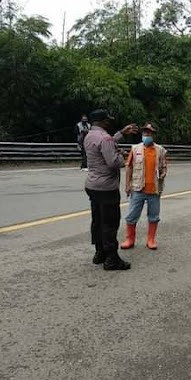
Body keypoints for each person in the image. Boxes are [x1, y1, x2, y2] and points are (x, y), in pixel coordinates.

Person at [84, 109, 139, 270]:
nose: (109, 122)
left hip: (92, 185)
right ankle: (111, 259)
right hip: (106, 187)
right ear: (101, 121)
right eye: (107, 120)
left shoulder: (89, 136)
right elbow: (113, 162)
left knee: (98, 220)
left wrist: (121, 133)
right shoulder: (105, 138)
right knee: (110, 223)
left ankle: (99, 253)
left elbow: (106, 144)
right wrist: (123, 155)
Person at [121, 122, 168, 251]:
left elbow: (164, 166)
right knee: (131, 216)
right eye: (144, 133)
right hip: (137, 188)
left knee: (154, 216)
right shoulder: (135, 149)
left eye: (149, 133)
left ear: (153, 135)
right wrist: (127, 185)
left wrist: (163, 173)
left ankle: (151, 239)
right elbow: (129, 166)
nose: (146, 135)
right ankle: (129, 239)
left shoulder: (161, 150)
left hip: (154, 189)